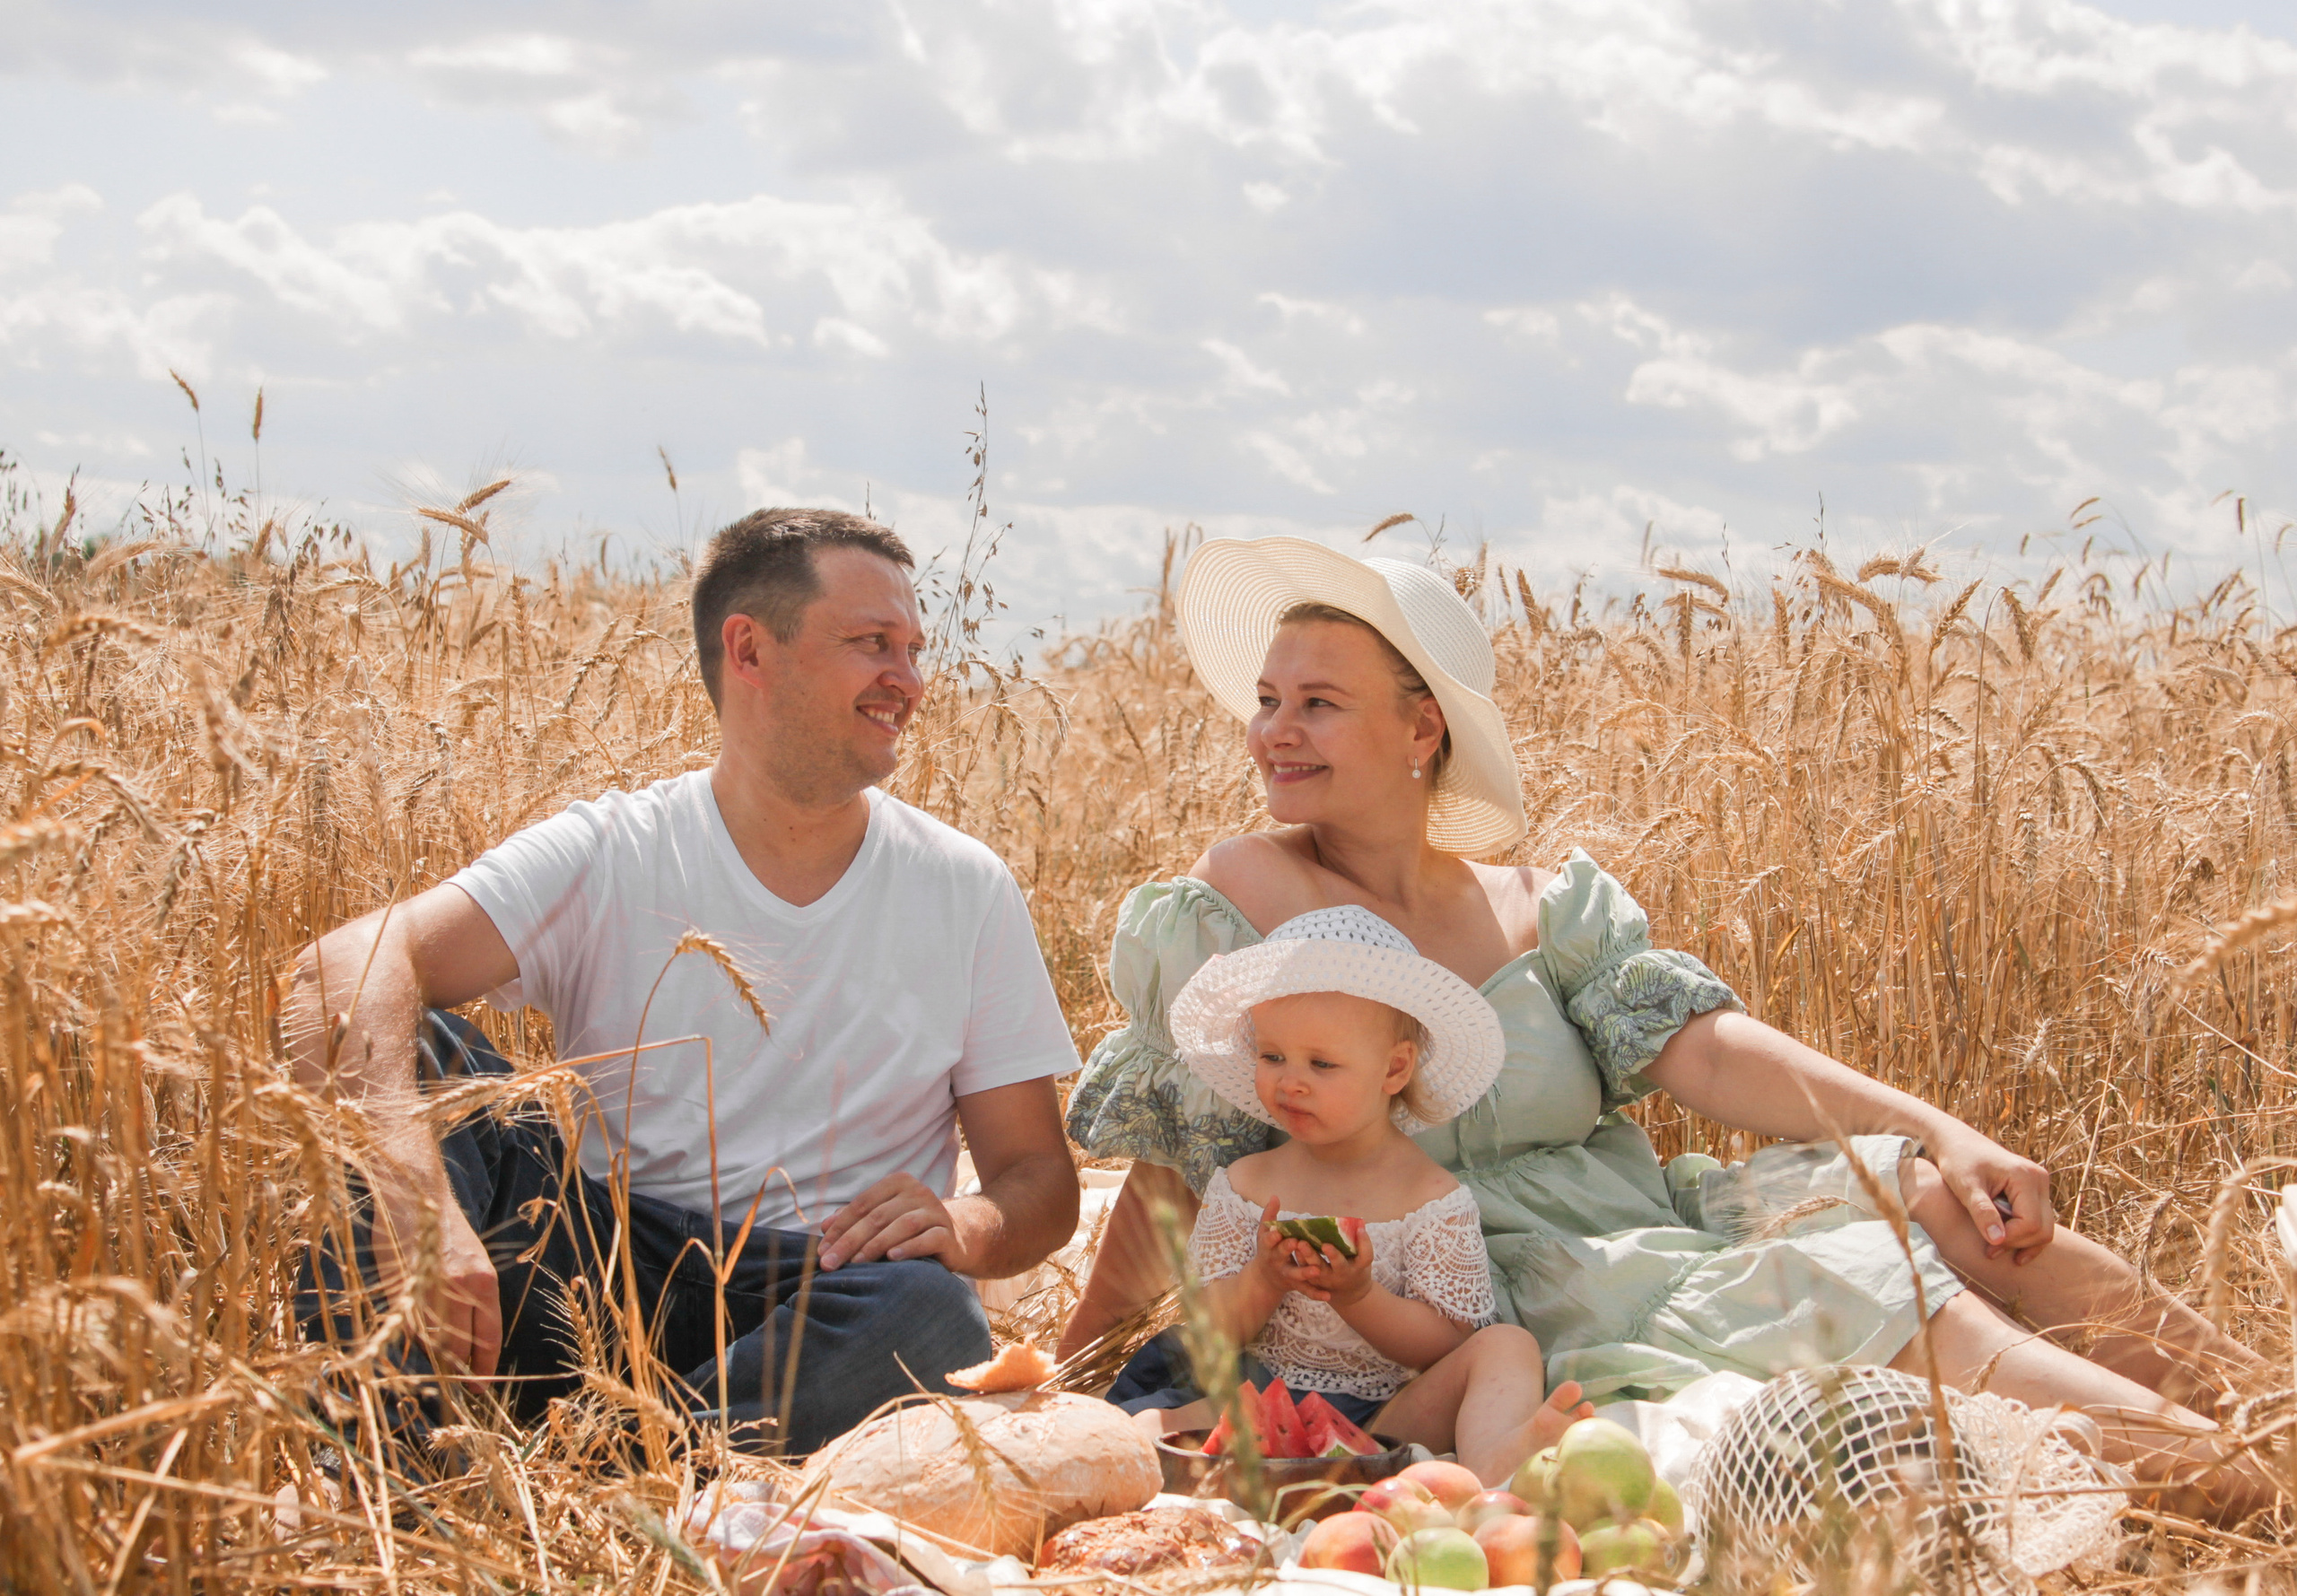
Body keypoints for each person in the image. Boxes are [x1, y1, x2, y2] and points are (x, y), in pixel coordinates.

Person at [1061, 535, 2275, 1516]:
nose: (1273, 727)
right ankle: (2239, 1474)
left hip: (1650, 1213)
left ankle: (2265, 1403)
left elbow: (1702, 1047)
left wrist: (1943, 1126)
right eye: (1268, 698)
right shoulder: (1239, 897)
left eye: (1318, 701)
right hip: (1522, 1275)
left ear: (1422, 727)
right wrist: (1065, 1381)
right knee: (1866, 1293)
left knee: (1952, 1201)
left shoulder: (1541, 905)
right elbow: (1176, 1143)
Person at [288, 508, 1081, 1456]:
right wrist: (420, 1206)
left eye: (914, 649)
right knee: (410, 1055)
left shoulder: (963, 886)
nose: (907, 681)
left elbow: (1038, 1182)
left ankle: (614, 1480)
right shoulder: (615, 849)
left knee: (932, 1317)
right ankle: (395, 1482)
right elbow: (341, 968)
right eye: (873, 644)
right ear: (748, 650)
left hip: (820, 1293)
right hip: (590, 1271)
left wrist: (967, 1223)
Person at [1106, 903, 1594, 1483]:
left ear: (1394, 1069)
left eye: (1322, 1062)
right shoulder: (1247, 1183)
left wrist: (1359, 1294)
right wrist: (1262, 1280)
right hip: (1262, 1394)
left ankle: (1492, 1457)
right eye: (1272, 1055)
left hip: (1388, 1416)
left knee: (1505, 1345)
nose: (1290, 1079)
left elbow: (1443, 1342)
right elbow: (1209, 1331)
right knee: (1147, 1430)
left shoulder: (1429, 1196)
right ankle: (1152, 1457)